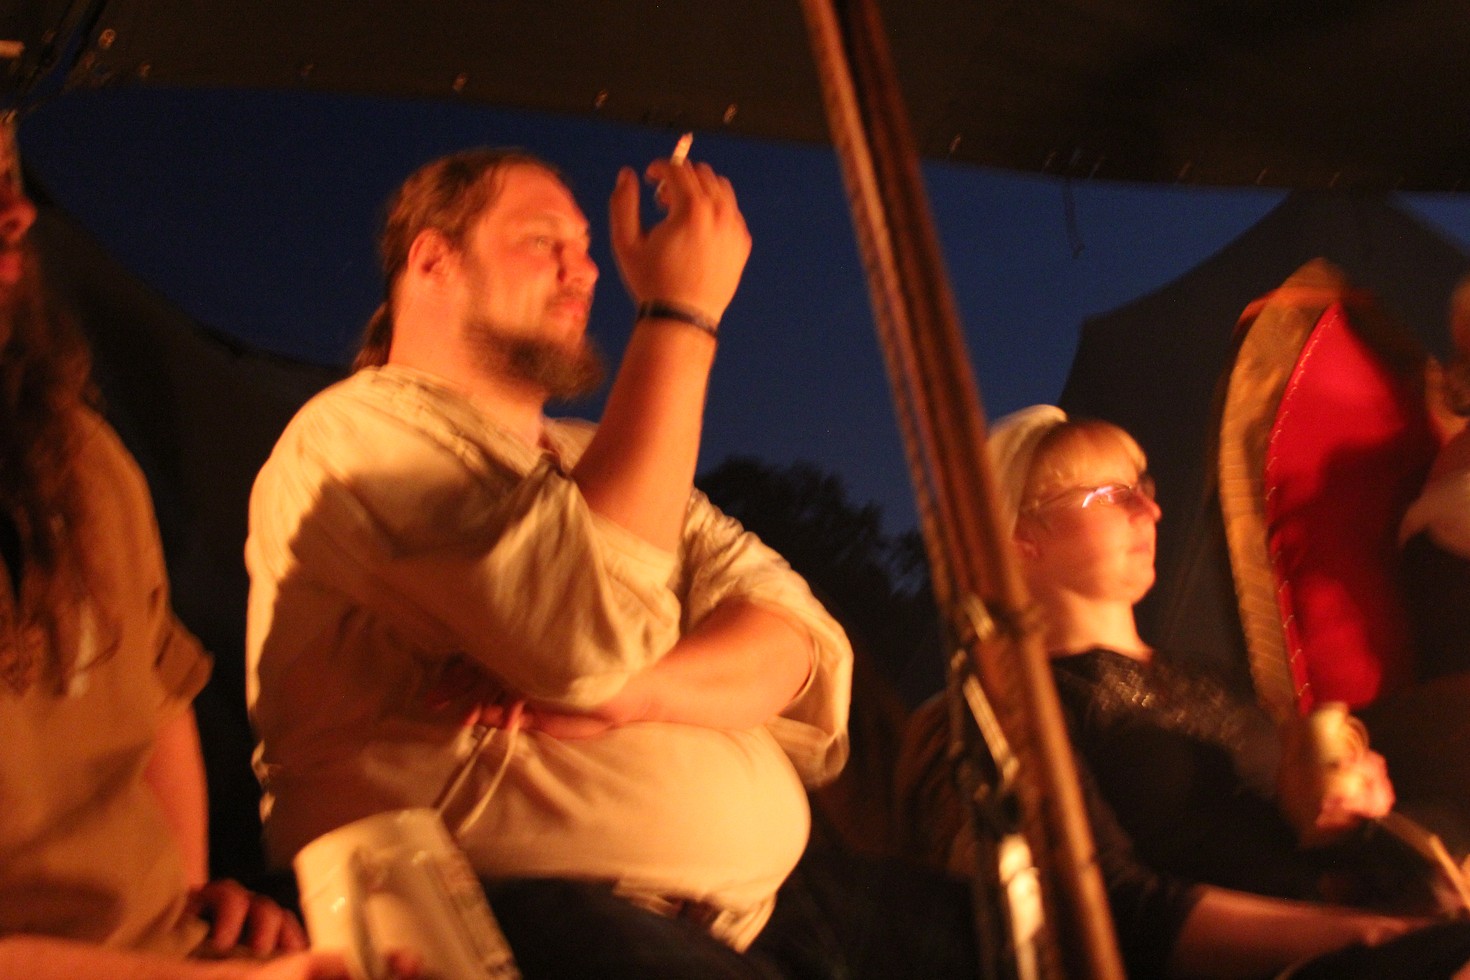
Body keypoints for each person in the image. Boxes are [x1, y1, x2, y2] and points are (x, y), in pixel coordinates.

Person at [245, 146, 907, 976]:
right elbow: (583, 638)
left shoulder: (598, 455)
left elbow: (798, 640)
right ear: (433, 259)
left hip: (732, 916)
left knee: (994, 933)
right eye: (542, 241)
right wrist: (681, 314)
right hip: (492, 912)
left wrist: (636, 694)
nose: (586, 270)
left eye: (586, 248)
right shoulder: (353, 435)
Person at [899, 404, 1470, 978]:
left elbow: (1296, 847)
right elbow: (1105, 908)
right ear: (1022, 537)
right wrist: (1376, 939)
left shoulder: (1210, 679)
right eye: (1112, 495)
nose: (1150, 510)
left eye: (1143, 488)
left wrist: (1357, 819)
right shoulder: (1009, 706)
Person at [0, 119, 358, 978]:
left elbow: (160, 694)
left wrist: (189, 898)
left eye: (9, 173)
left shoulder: (77, 455)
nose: (17, 212)